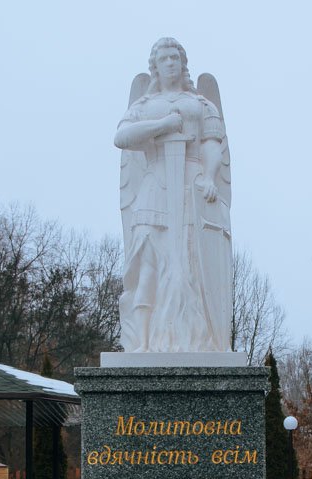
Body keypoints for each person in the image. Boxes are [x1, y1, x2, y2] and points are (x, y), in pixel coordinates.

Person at [115, 37, 232, 353]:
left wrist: (209, 177)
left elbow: (212, 143)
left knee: (190, 261)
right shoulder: (143, 106)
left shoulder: (201, 104)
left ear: (183, 64)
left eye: (175, 57)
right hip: (155, 184)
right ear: (155, 66)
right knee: (148, 262)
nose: (170, 63)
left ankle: (197, 338)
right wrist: (163, 124)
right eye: (163, 58)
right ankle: (143, 342)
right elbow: (122, 137)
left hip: (191, 185)